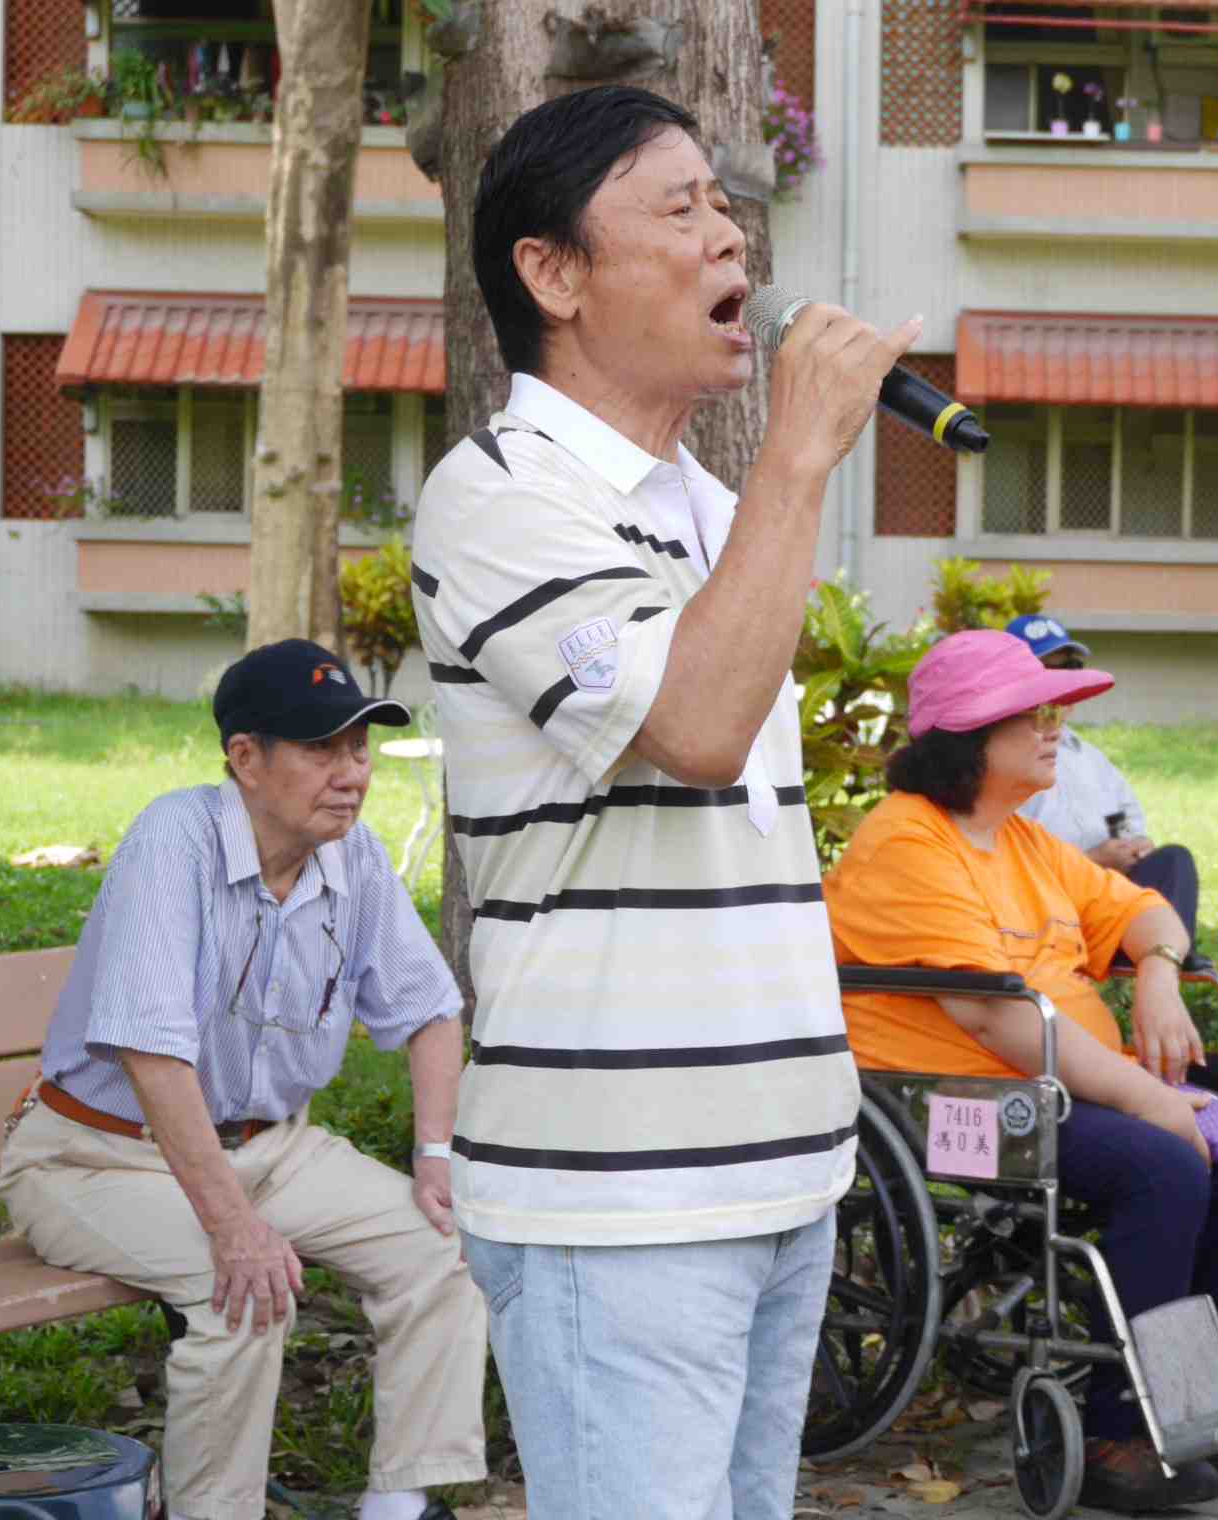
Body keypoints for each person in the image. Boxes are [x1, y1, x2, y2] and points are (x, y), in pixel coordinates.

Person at [412, 85, 902, 1518]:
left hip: (781, 1168)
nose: (724, 239)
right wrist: (804, 453)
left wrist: (774, 482)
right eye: (676, 209)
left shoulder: (708, 505)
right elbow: (691, 726)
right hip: (616, 1194)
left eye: (725, 207)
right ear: (551, 273)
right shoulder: (498, 494)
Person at [0, 639, 483, 1520]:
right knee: (242, 1297)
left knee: (443, 1246)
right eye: (322, 749)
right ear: (246, 759)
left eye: (360, 749)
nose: (352, 775)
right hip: (93, 1159)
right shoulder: (171, 841)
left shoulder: (355, 858)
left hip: (273, 1149)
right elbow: (152, 1056)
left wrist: (436, 1154)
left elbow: (429, 1010)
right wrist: (236, 1229)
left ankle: (400, 1505)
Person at [823, 629, 1218, 1513]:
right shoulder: (906, 844)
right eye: (1031, 715)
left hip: (1055, 1086)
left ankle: (1211, 1413)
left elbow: (1145, 908)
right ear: (967, 739)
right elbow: (994, 1017)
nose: (1055, 729)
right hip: (953, 1099)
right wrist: (1155, 1101)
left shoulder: (1027, 841)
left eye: (1054, 711)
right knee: (1161, 1161)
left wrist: (1156, 974)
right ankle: (1122, 1431)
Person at [1006, 613, 1201, 940]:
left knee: (1173, 861)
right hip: (1044, 904)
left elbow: (1122, 818)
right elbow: (1004, 865)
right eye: (1046, 669)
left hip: (1109, 893)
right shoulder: (1001, 760)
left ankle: (1169, 959)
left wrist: (1132, 847)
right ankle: (1163, 957)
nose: (1062, 682)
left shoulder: (1090, 758)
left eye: (1069, 669)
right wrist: (1092, 862)